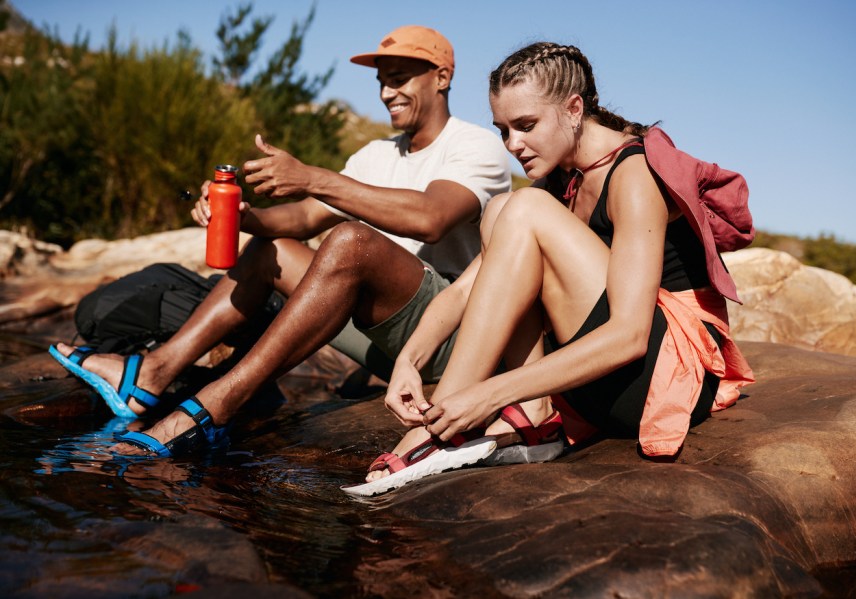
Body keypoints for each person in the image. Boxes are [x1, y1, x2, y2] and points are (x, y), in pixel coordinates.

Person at [48, 25, 511, 457]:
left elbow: (431, 218)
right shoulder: (376, 154)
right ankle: (152, 373)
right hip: (389, 337)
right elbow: (306, 217)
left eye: (399, 79)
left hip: (454, 337)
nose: (387, 92)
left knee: (351, 241)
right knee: (274, 250)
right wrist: (244, 218)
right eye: (381, 82)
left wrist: (313, 177)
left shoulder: (475, 146)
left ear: (442, 77)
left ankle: (216, 405)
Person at [348, 41, 755, 496]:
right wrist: (411, 359)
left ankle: (438, 432)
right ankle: (533, 416)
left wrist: (492, 392)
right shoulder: (560, 179)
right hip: (595, 381)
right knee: (502, 208)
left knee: (522, 207)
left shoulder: (633, 174)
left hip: (656, 381)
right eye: (503, 130)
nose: (512, 145)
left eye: (526, 126)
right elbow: (467, 290)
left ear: (574, 108)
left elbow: (629, 335)